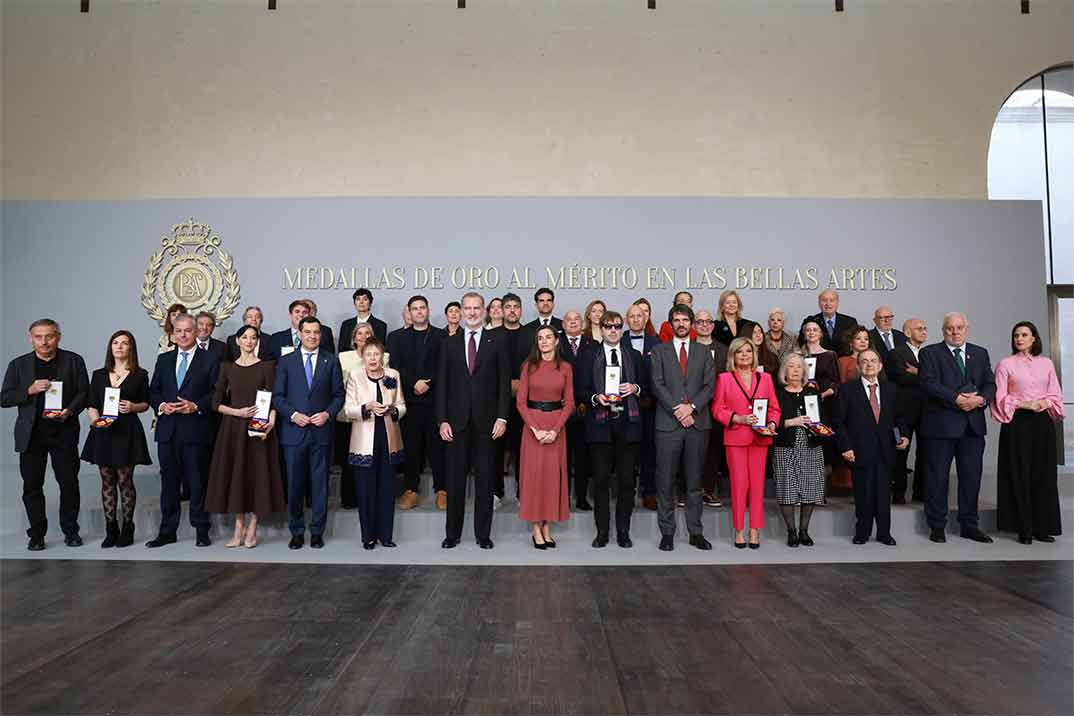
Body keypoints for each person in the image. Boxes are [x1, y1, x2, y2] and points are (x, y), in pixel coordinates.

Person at [2, 318, 90, 550]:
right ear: (30, 338)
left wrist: (70, 410)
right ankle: (37, 535)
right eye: (38, 337)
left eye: (49, 336)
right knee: (32, 486)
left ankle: (71, 532)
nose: (44, 341)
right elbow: (5, 397)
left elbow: (84, 392)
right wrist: (29, 390)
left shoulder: (73, 360)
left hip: (63, 431)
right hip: (31, 435)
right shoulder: (18, 365)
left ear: (58, 337)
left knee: (69, 483)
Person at [436, 292, 511, 549]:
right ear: (461, 311)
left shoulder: (497, 341)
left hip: (487, 424)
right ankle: (452, 534)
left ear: (484, 310)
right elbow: (442, 387)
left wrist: (502, 417)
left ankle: (483, 535)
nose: (471, 312)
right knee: (455, 481)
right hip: (455, 424)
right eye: (466, 308)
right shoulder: (449, 343)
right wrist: (442, 420)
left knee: (485, 480)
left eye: (476, 308)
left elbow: (504, 385)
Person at [204, 325, 285, 548]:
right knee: (237, 475)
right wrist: (236, 412)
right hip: (233, 429)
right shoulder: (227, 368)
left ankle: (253, 527)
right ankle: (239, 527)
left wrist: (271, 421)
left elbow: (274, 399)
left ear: (257, 341)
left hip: (259, 428)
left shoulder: (267, 367)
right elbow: (215, 403)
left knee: (257, 476)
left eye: (253, 338)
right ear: (237, 341)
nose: (249, 341)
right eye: (245, 338)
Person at [919, 312, 996, 544]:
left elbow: (990, 383)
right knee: (937, 478)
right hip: (941, 426)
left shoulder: (980, 353)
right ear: (943, 331)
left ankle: (969, 525)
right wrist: (957, 399)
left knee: (971, 478)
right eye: (950, 328)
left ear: (966, 328)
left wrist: (981, 400)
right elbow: (928, 383)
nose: (955, 332)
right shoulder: (930, 353)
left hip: (972, 426)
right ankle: (937, 526)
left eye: (959, 327)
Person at [147, 313, 221, 547]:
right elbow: (154, 390)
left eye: (188, 330)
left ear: (197, 331)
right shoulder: (164, 359)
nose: (183, 334)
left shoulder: (210, 359)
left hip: (196, 429)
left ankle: (201, 530)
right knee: (169, 484)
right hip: (168, 430)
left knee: (198, 483)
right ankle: (167, 531)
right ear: (173, 334)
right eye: (178, 331)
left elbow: (217, 393)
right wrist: (161, 405)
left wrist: (196, 405)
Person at [272, 316, 345, 550]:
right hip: (293, 433)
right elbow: (278, 397)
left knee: (320, 485)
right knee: (294, 485)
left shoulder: (330, 361)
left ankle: (316, 531)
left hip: (321, 433)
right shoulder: (286, 361)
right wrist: (293, 415)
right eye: (308, 332)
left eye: (316, 332)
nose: (312, 336)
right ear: (300, 334)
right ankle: (296, 531)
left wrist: (327, 414)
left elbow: (339, 395)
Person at [574, 311, 645, 548]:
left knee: (626, 481)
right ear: (601, 329)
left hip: (629, 424)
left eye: (617, 326)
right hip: (599, 424)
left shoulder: (634, 356)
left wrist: (634, 387)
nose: (613, 330)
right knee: (601, 480)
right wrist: (596, 397)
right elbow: (579, 390)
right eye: (608, 326)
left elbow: (647, 387)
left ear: (621, 329)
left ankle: (623, 531)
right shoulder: (588, 356)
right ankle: (602, 532)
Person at [991, 321, 1065, 544]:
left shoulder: (1047, 364)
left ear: (1034, 338)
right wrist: (1026, 404)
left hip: (1042, 423)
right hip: (1017, 423)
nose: (1019, 339)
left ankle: (1043, 527)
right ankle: (1023, 527)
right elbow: (1000, 398)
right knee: (1019, 473)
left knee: (1044, 474)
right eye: (1016, 335)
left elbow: (1055, 394)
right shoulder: (1005, 364)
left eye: (1024, 335)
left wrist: (1043, 402)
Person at [651, 304, 716, 551]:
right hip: (668, 424)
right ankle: (667, 532)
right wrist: (679, 409)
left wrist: (692, 408)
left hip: (697, 424)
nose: (681, 324)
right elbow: (657, 385)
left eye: (685, 320)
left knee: (694, 482)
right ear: (670, 324)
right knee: (665, 481)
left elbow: (709, 386)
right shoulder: (659, 351)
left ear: (692, 324)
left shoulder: (704, 351)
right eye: (676, 320)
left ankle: (695, 532)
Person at [81, 330, 151, 548]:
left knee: (124, 480)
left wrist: (133, 406)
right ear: (110, 347)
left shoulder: (140, 374)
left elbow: (146, 403)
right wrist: (95, 422)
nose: (119, 346)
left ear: (131, 348)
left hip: (127, 430)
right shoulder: (99, 374)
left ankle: (128, 527)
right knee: (107, 480)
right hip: (103, 431)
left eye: (125, 343)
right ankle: (111, 529)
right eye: (115, 343)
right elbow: (91, 403)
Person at [834, 349, 910, 546]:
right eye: (864, 361)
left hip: (886, 450)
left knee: (884, 495)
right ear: (858, 366)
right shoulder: (847, 390)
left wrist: (904, 435)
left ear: (880, 365)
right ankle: (862, 532)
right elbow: (839, 422)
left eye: (873, 361)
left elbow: (900, 417)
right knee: (864, 493)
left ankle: (884, 533)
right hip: (859, 450)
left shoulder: (891, 389)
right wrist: (846, 447)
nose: (869, 365)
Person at [713, 336, 780, 549]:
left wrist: (771, 423)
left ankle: (754, 531)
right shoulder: (725, 378)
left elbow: (774, 409)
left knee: (758, 486)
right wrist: (738, 418)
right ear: (733, 355)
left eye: (748, 351)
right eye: (740, 352)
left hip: (760, 439)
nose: (744, 355)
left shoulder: (766, 378)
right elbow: (717, 409)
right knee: (740, 485)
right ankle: (739, 530)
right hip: (736, 438)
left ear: (754, 354)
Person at [344, 337, 406, 549]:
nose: (372, 358)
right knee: (366, 490)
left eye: (376, 354)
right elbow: (348, 409)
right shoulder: (355, 375)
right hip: (363, 442)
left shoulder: (393, 375)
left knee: (387, 490)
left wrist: (392, 410)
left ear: (382, 356)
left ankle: (386, 536)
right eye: (368, 354)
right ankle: (368, 536)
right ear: (362, 355)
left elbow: (402, 405)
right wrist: (367, 406)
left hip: (388, 439)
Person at [387, 296, 447, 511]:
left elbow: (446, 366)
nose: (419, 312)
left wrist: (427, 383)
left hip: (435, 401)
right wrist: (414, 382)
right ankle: (411, 490)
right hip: (409, 401)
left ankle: (442, 489)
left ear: (428, 311)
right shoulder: (396, 337)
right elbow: (394, 367)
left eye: (423, 308)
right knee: (411, 448)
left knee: (438, 447)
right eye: (415, 309)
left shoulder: (442, 336)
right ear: (409, 313)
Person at [517, 325, 574, 548]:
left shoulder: (566, 368)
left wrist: (555, 430)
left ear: (556, 341)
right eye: (540, 338)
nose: (544, 341)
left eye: (548, 337)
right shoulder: (528, 366)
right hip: (533, 427)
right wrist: (535, 428)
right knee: (533, 478)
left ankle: (548, 528)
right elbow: (520, 402)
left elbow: (569, 402)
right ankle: (535, 529)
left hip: (556, 427)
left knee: (552, 479)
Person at [771, 354, 825, 547]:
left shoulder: (813, 393)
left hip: (810, 445)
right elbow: (771, 423)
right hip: (786, 445)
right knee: (787, 488)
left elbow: (821, 419)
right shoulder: (776, 393)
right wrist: (790, 422)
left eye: (799, 367)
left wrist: (821, 427)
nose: (795, 370)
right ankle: (791, 532)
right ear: (784, 371)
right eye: (791, 366)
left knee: (810, 488)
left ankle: (804, 531)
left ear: (804, 371)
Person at [333, 322, 377, 509]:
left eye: (368, 333)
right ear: (354, 337)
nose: (364, 336)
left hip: (372, 416)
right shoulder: (343, 357)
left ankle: (369, 497)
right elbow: (336, 385)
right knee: (348, 459)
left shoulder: (382, 357)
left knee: (370, 458)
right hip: (348, 414)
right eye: (360, 333)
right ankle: (349, 498)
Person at [885, 318, 928, 503]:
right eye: (919, 328)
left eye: (925, 328)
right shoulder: (896, 353)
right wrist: (925, 375)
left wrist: (917, 372)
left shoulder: (930, 354)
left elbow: (936, 378)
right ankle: (898, 493)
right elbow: (900, 377)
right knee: (901, 452)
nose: (924, 331)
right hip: (903, 411)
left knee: (926, 452)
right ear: (908, 333)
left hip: (927, 409)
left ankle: (920, 492)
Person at [626, 304, 662, 510]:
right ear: (626, 319)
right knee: (628, 451)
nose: (636, 319)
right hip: (625, 405)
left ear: (645, 318)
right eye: (632, 316)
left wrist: (650, 396)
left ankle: (649, 492)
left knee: (650, 451)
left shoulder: (657, 343)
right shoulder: (618, 340)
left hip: (651, 405)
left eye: (640, 316)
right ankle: (628, 492)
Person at [559, 309, 595, 511]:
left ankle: (581, 497)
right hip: (560, 409)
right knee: (561, 457)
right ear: (563, 324)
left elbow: (595, 377)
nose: (573, 323)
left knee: (582, 457)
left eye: (576, 320)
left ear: (582, 323)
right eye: (568, 319)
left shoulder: (593, 345)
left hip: (584, 410)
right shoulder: (555, 344)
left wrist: (584, 401)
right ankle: (562, 497)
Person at [694, 310, 728, 507]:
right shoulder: (687, 348)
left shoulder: (723, 350)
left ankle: (708, 490)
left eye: (708, 322)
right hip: (692, 407)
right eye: (700, 322)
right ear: (694, 326)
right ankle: (687, 491)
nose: (704, 325)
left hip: (716, 407)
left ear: (713, 326)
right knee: (690, 450)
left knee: (712, 451)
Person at [498, 292, 526, 503]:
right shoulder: (492, 335)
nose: (512, 310)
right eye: (508, 306)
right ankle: (496, 491)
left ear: (521, 310)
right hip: (497, 399)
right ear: (502, 310)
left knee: (523, 448)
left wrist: (521, 385)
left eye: (516, 306)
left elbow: (536, 366)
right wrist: (506, 385)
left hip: (526, 400)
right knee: (496, 447)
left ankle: (522, 492)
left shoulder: (531, 334)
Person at [801, 289, 858, 355]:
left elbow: (855, 346)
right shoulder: (811, 321)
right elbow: (802, 343)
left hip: (843, 362)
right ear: (819, 303)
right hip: (818, 361)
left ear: (837, 302)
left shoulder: (850, 322)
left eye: (832, 300)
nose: (828, 304)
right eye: (824, 300)